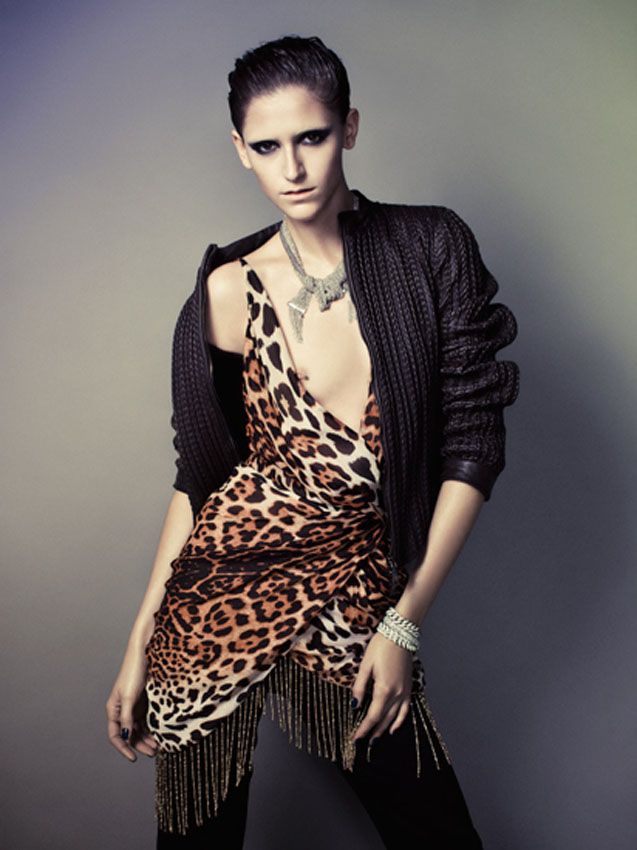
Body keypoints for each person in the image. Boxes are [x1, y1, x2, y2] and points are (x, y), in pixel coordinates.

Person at [106, 34, 520, 849]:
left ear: (349, 128)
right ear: (240, 150)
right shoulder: (226, 291)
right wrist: (139, 642)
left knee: (435, 831)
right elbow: (201, 478)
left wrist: (401, 624)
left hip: (357, 593)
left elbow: (472, 444)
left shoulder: (428, 247)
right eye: (266, 147)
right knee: (197, 842)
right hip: (219, 599)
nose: (291, 167)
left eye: (312, 137)